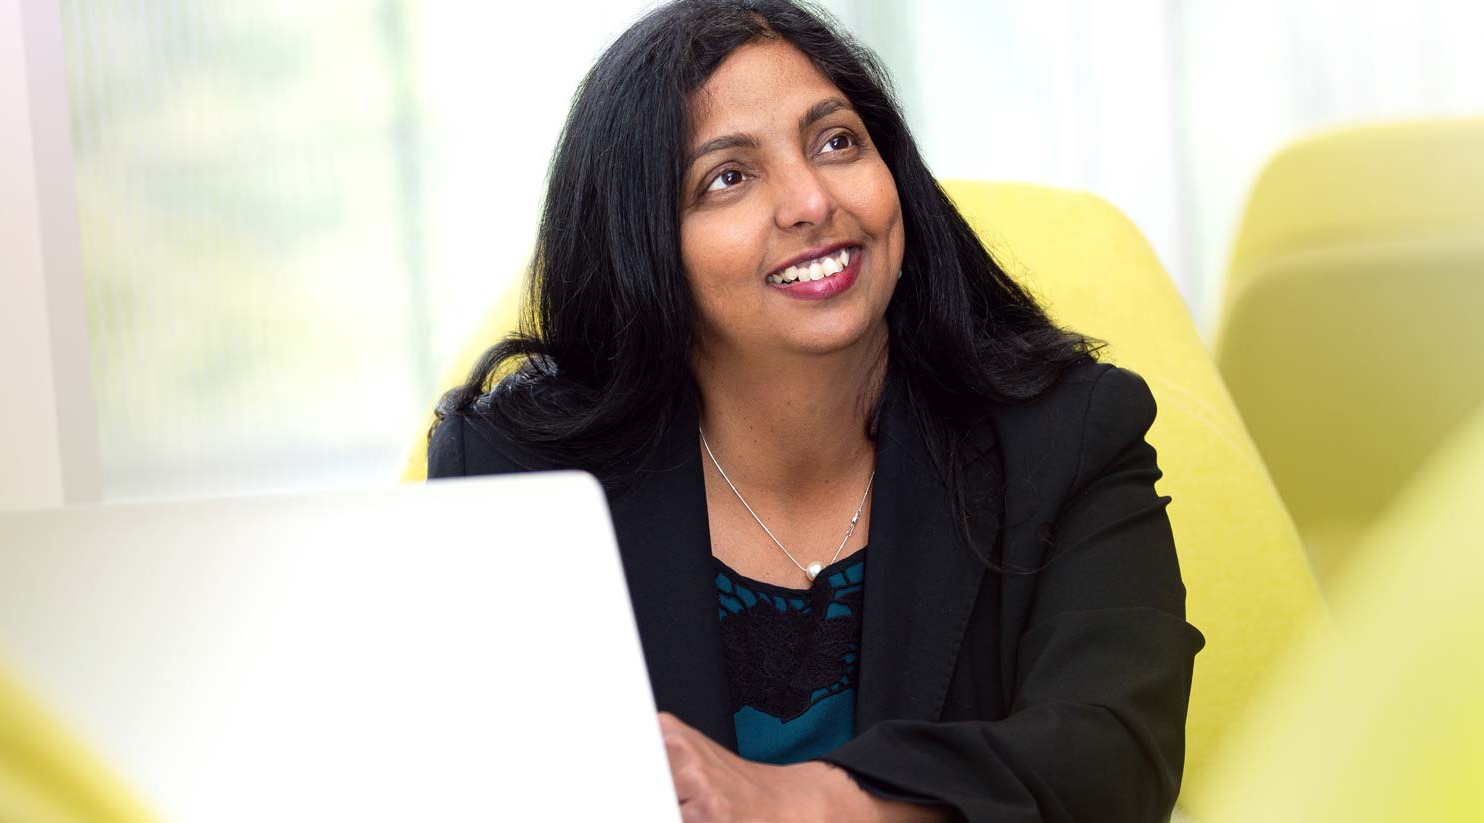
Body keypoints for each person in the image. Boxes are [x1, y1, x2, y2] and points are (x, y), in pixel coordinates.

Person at [425, 1, 1204, 820]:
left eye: (836, 142)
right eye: (727, 176)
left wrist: (827, 804)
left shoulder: (1067, 436)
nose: (809, 201)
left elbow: (1117, 751)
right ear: (641, 245)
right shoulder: (514, 473)